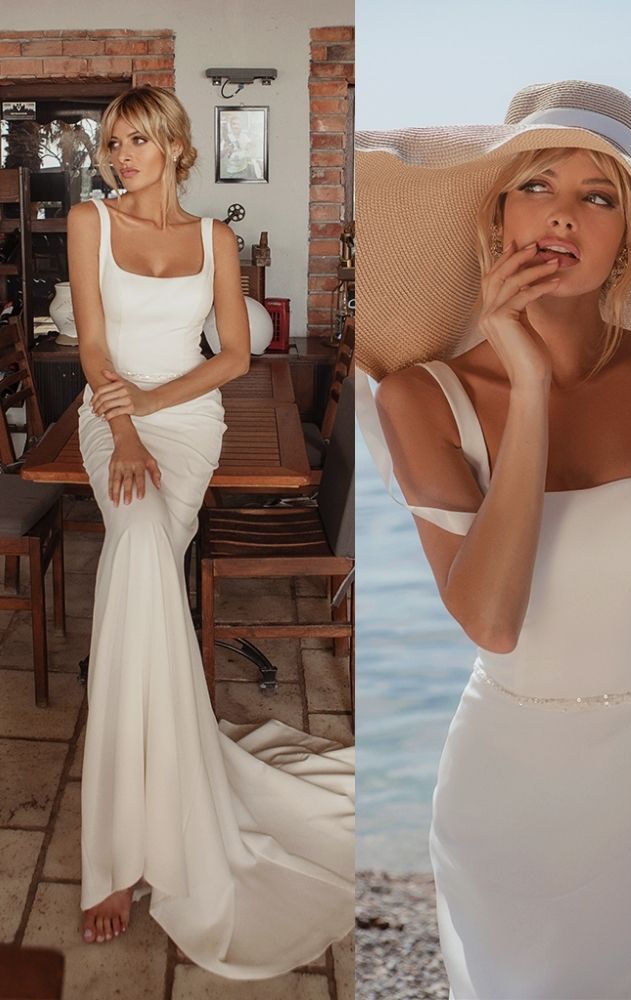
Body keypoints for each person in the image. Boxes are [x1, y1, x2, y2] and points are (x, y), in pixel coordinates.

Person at [355, 80, 631, 999]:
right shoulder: (419, 399)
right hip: (503, 784)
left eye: (598, 196)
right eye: (536, 186)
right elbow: (491, 621)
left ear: (630, 240)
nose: (562, 216)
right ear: (496, 218)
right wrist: (528, 384)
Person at [68, 85, 354, 979]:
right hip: (108, 416)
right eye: (115, 142)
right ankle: (118, 857)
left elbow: (234, 355)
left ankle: (139, 832)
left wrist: (153, 409)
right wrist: (120, 427)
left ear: (177, 147)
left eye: (140, 140)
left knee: (145, 554)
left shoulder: (215, 242)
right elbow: (90, 347)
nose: (124, 156)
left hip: (187, 422)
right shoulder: (90, 223)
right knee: (138, 544)